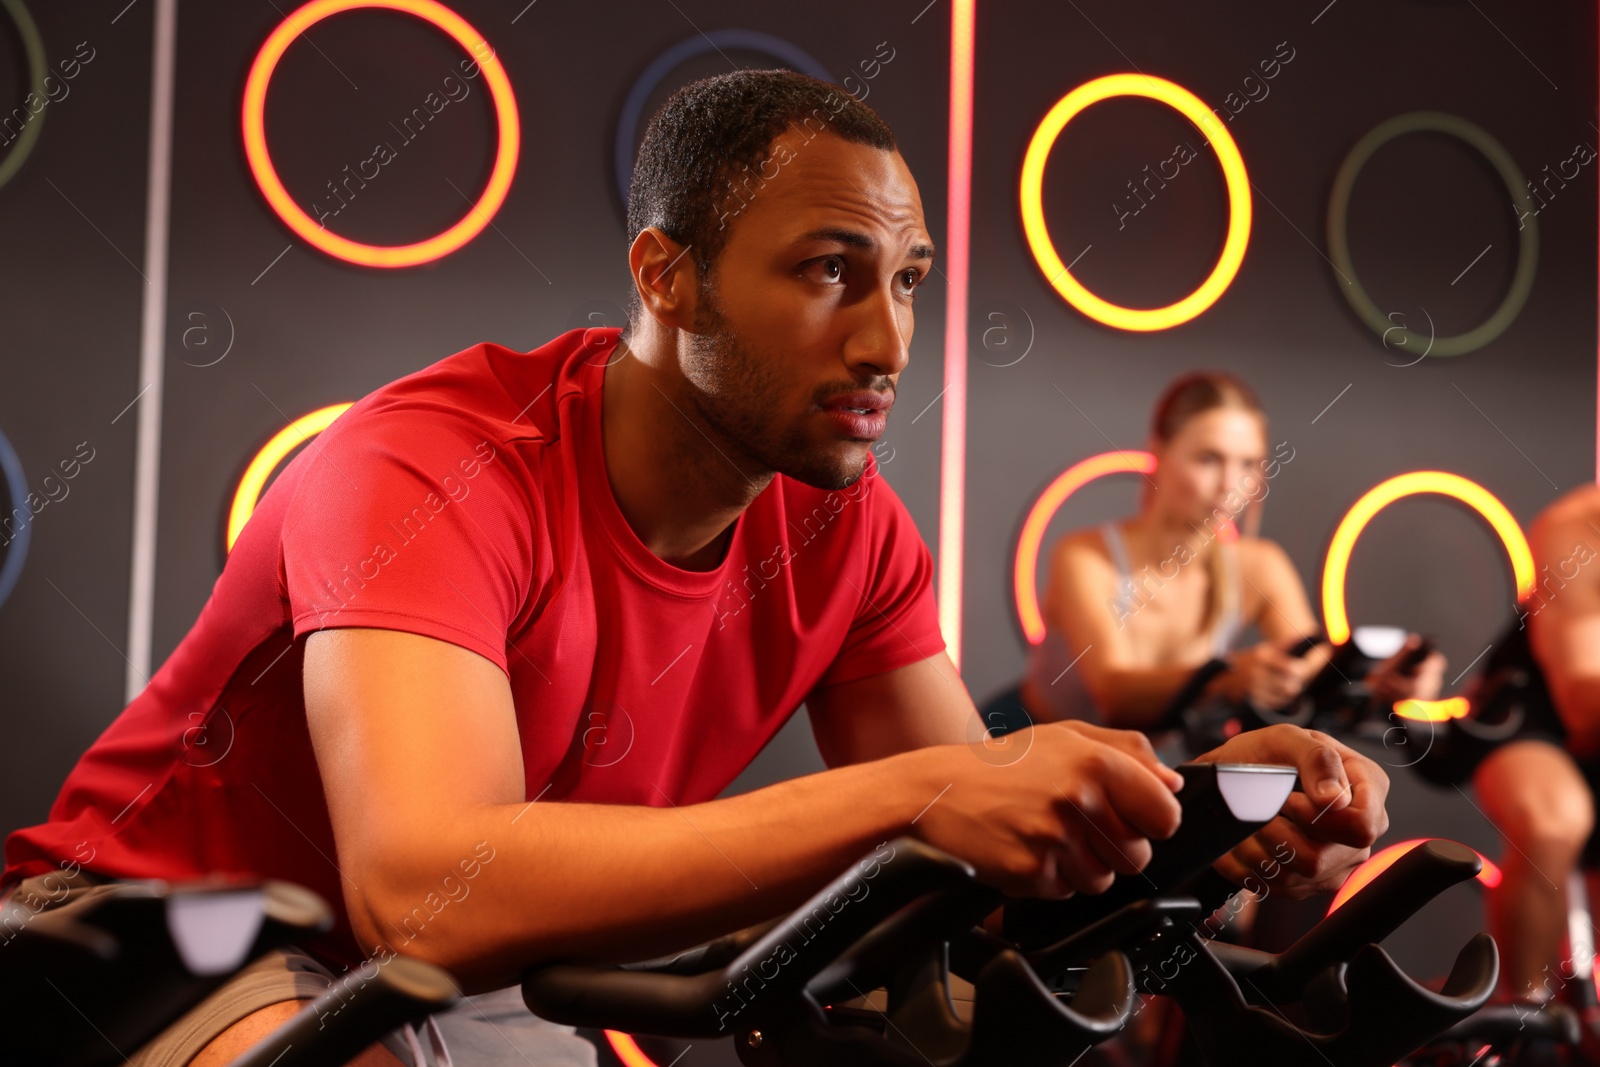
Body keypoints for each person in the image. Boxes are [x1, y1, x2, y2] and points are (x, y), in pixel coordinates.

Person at [1, 71, 1391, 1066]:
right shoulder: (433, 464)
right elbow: (429, 883)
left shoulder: (847, 531)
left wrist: (1198, 816)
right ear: (665, 275)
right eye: (829, 272)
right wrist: (922, 791)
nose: (888, 340)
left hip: (429, 970)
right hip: (154, 924)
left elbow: (977, 853)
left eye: (905, 278)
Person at [1018, 372, 1446, 739]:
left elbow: (1317, 674)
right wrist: (1225, 677)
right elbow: (1115, 696)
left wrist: (1386, 682)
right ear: (1159, 453)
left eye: (1247, 464)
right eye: (1208, 459)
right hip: (1027, 750)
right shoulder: (1084, 557)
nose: (1229, 483)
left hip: (1136, 770)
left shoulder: (1258, 565)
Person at [1472, 483, 1600, 1009]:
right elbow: (1584, 710)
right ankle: (1522, 1021)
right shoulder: (1575, 529)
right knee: (1554, 821)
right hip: (1534, 720)